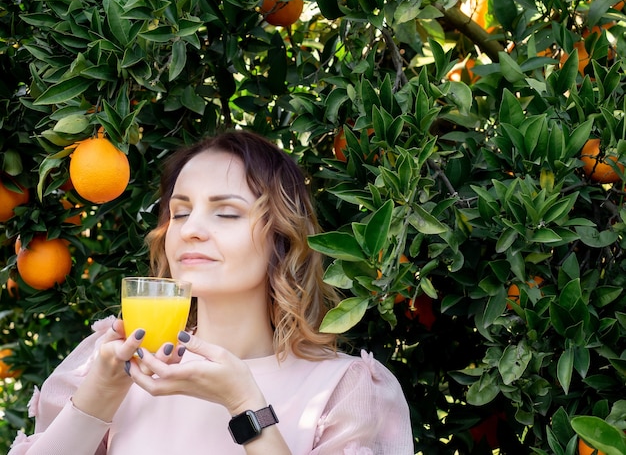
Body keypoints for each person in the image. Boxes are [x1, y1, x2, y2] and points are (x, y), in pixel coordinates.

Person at [9, 130, 413, 454]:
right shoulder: (112, 367)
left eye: (226, 213)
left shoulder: (345, 390)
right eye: (180, 211)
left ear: (282, 236)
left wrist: (245, 405)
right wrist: (98, 399)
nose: (189, 229)